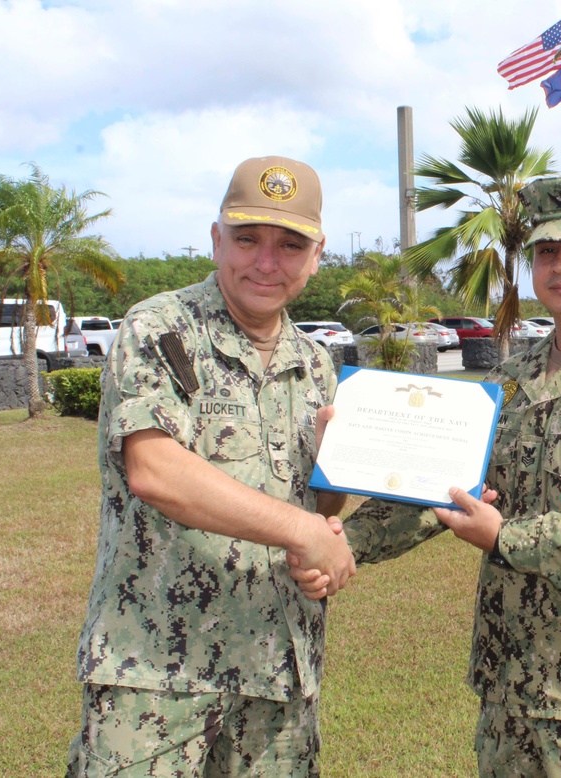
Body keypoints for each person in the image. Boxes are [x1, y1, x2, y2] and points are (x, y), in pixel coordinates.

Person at [296, 174, 561, 776]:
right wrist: (337, 544)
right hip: (515, 690)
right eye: (548, 252)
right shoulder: (509, 383)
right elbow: (443, 489)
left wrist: (503, 537)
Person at [66, 156, 356, 777]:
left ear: (317, 255)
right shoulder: (162, 328)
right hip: (156, 670)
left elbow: (314, 509)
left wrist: (329, 498)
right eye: (247, 239)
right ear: (216, 238)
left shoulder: (315, 364)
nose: (266, 262)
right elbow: (154, 469)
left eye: (289, 245)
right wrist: (302, 530)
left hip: (278, 671)